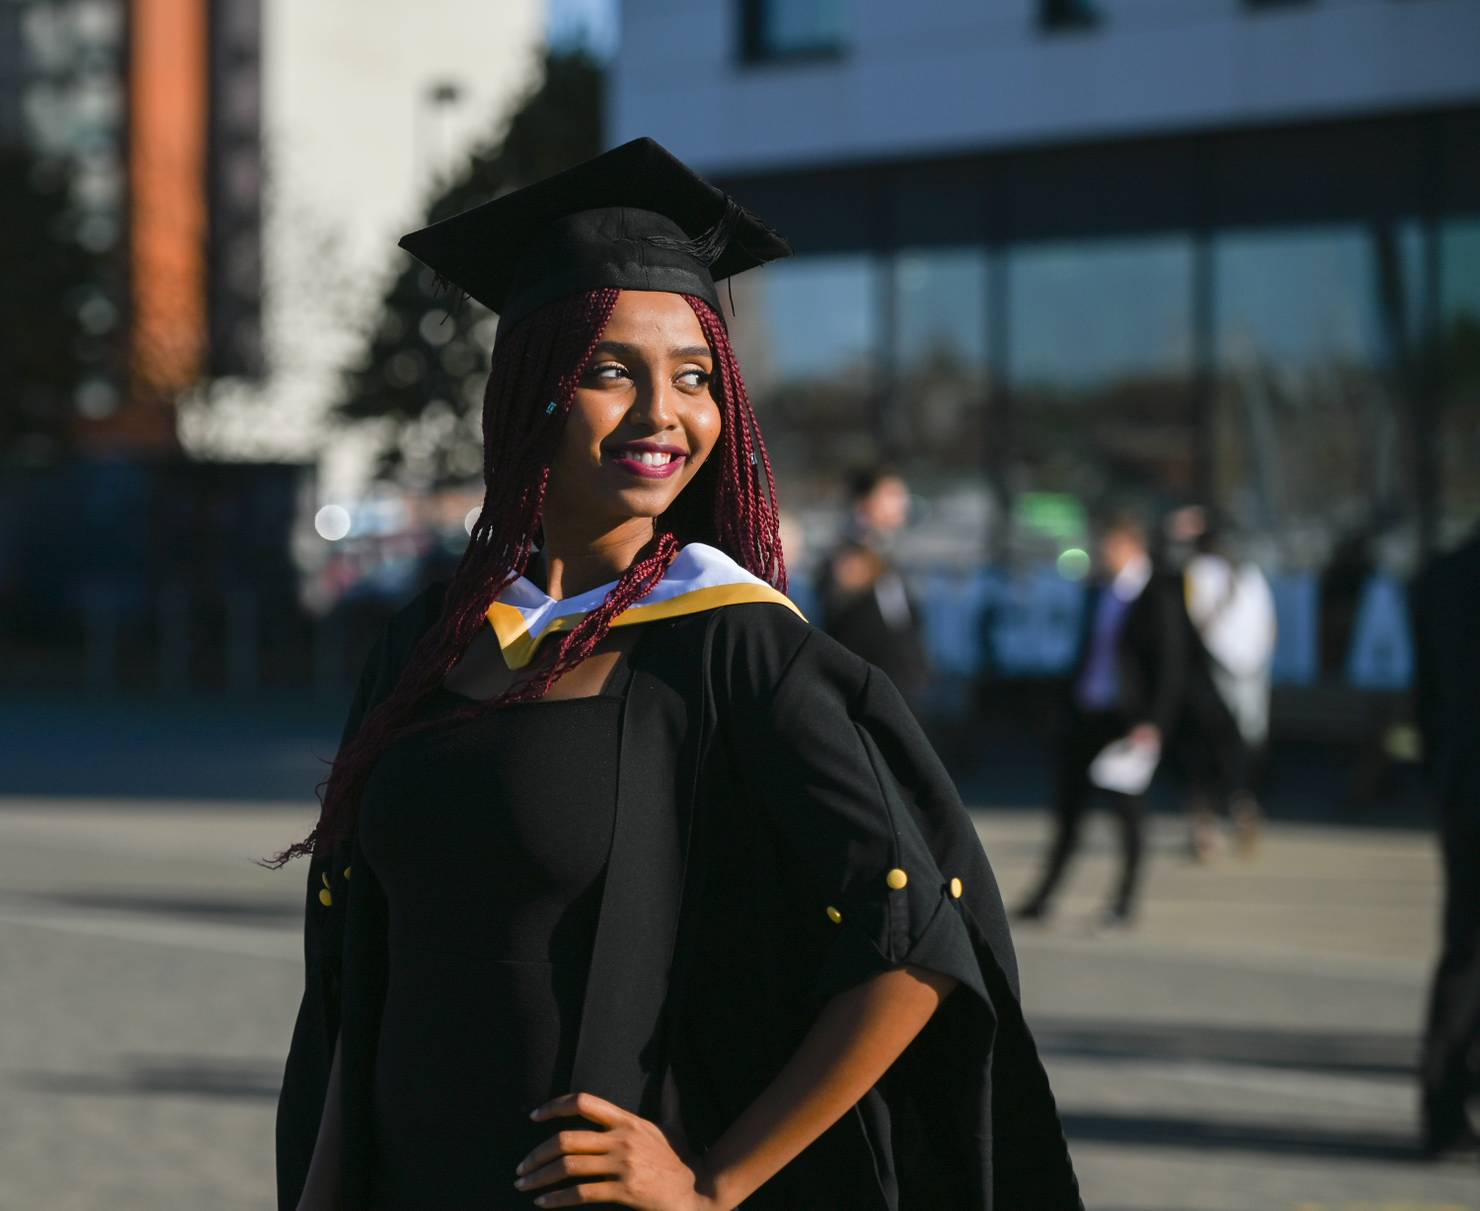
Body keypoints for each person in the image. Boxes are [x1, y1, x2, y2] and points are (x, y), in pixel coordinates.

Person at [273, 139, 1081, 1211]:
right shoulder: (428, 639)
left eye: (695, 376)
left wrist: (710, 1180)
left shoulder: (727, 640)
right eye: (611, 369)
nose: (664, 412)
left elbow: (920, 942)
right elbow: (360, 976)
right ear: (530, 389)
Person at [1015, 511, 1186, 927]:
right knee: (1068, 810)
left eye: (1110, 545)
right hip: (1087, 712)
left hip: (1127, 721)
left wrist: (1154, 723)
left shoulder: (1156, 595)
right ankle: (1043, 897)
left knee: (1126, 815)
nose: (1102, 554)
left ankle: (1123, 902)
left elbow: (1171, 666)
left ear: (1131, 547)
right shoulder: (1099, 591)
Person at [1410, 526, 1480, 1157]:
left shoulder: (1441, 575)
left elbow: (1427, 696)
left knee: (1464, 953)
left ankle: (1442, 1102)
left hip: (1463, 789)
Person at [1178, 523, 1277, 860]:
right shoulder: (1201, 575)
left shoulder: (1249, 576)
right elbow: (1197, 623)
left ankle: (1237, 812)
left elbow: (1266, 626)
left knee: (1240, 750)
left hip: (1244, 675)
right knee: (1210, 752)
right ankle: (1208, 825)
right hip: (1211, 677)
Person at [818, 466, 930, 708]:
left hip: (902, 689)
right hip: (865, 693)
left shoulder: (888, 554)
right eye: (891, 496)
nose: (901, 505)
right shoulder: (847, 555)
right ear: (864, 501)